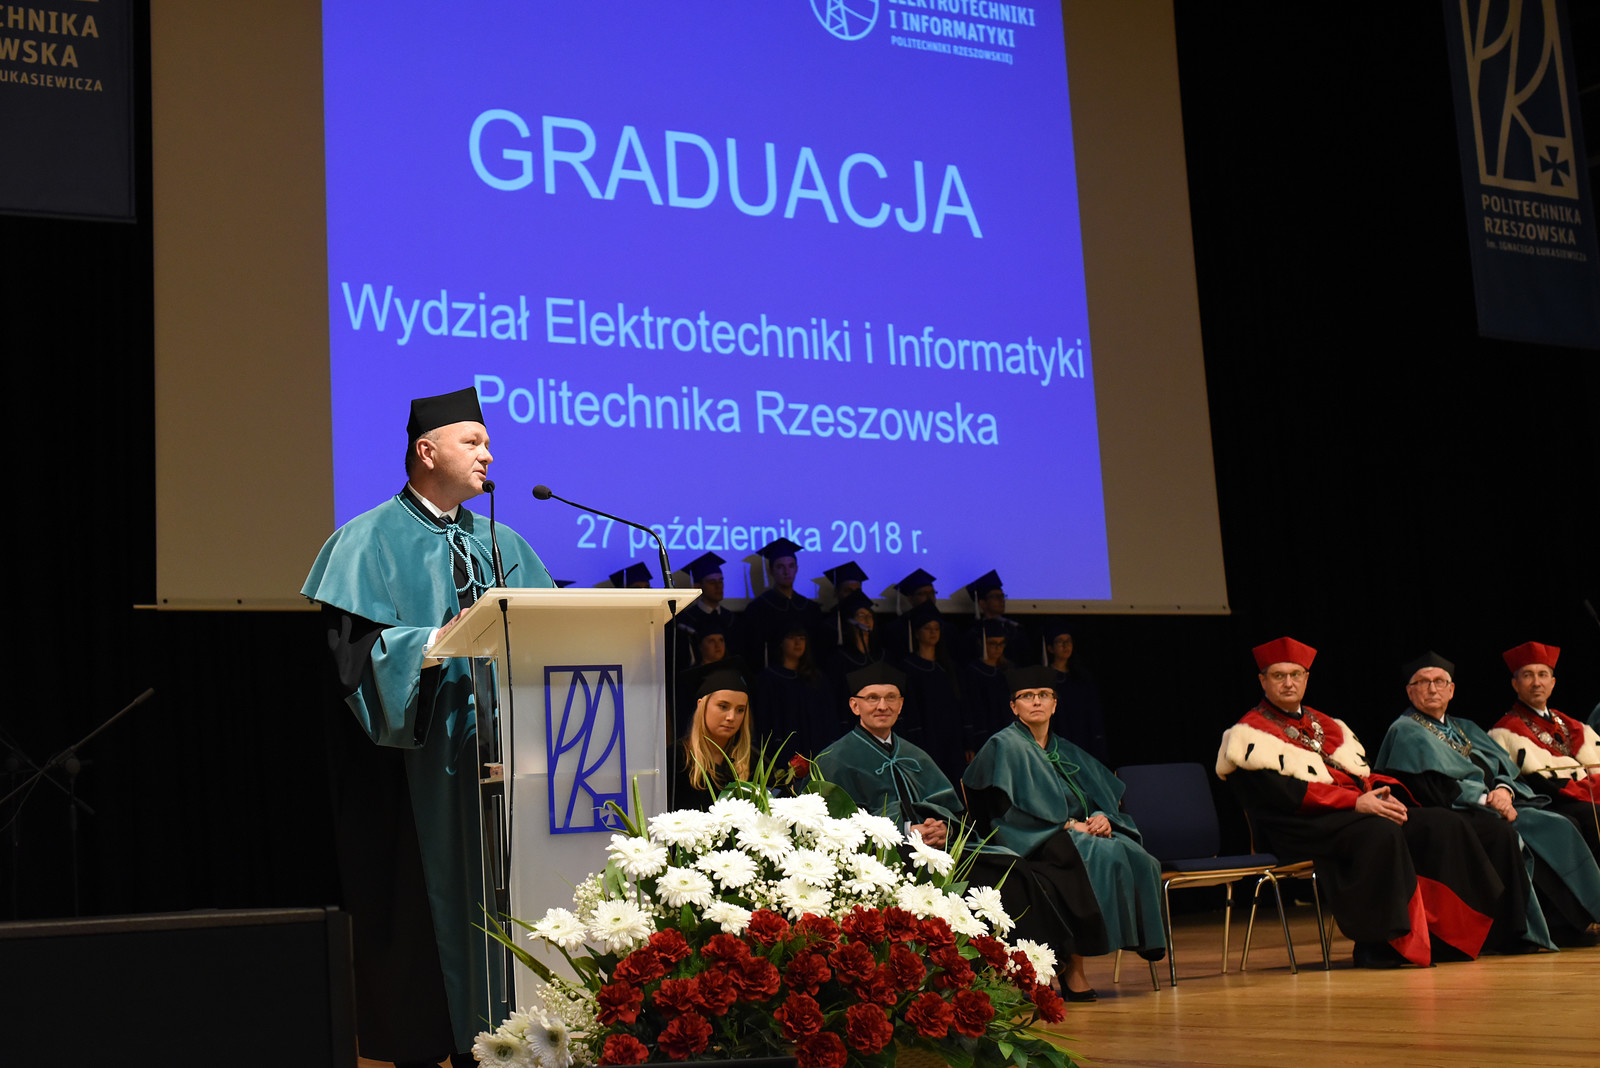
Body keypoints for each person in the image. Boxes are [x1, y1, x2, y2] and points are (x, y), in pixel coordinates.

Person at [302, 386, 554, 1066]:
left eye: (488, 443)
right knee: (421, 931)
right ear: (427, 450)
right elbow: (351, 659)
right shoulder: (367, 540)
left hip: (507, 772)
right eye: (473, 441)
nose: (488, 455)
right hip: (413, 775)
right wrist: (431, 643)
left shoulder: (502, 542)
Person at [817, 662, 1108, 998]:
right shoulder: (835, 759)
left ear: (901, 704)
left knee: (1012, 867)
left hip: (938, 849)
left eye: (890, 698)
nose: (882, 706)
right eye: (872, 699)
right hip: (884, 857)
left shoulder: (914, 754)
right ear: (855, 706)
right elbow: (837, 822)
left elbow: (951, 809)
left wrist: (943, 828)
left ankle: (1033, 970)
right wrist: (906, 829)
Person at [1216, 637, 1508, 967]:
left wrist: (1381, 793)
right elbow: (1282, 794)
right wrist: (1356, 803)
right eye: (1278, 676)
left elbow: (1361, 774)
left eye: (1295, 675)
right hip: (1295, 825)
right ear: (1262, 681)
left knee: (1441, 822)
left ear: (1306, 678)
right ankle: (1378, 943)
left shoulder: (1325, 724)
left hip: (1346, 812)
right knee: (1379, 832)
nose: (1288, 683)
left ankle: (1446, 936)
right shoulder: (1248, 734)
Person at [1373, 652, 1600, 950]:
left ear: (1451, 690)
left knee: (1561, 824)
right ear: (1409, 691)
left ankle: (1571, 920)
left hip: (1498, 804)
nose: (1432, 689)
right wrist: (1486, 800)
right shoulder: (1404, 731)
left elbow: (1504, 768)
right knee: (1511, 835)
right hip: (1453, 811)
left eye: (1440, 682)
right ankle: (1524, 930)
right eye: (1423, 682)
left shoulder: (1465, 726)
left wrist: (1504, 791)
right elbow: (1430, 789)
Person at [965, 665, 1167, 970]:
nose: (1036, 701)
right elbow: (997, 812)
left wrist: (1102, 817)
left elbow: (1099, 796)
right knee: (1102, 853)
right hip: (1033, 840)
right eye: (1027, 696)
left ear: (1054, 704)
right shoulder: (1003, 745)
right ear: (1014, 706)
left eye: (1044, 695)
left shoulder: (1066, 749)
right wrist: (1068, 825)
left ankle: (1146, 940)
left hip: (1079, 832)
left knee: (1140, 857)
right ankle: (1091, 949)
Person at [1487, 642, 1600, 861]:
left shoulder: (1572, 724)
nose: (1537, 682)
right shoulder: (1504, 731)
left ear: (1553, 683)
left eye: (1543, 675)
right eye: (1528, 675)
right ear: (1515, 684)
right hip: (1549, 801)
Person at [894, 599, 968, 782]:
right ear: (916, 633)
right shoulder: (908, 667)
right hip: (926, 736)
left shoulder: (948, 667)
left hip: (952, 737)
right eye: (927, 628)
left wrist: (967, 742)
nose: (933, 632)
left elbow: (961, 704)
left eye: (936, 628)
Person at [670, 669, 753, 810]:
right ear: (701, 705)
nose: (731, 717)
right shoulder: (675, 759)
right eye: (723, 706)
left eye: (740, 710)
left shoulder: (753, 761)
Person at [753, 623, 833, 760]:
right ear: (781, 642)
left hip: (815, 746)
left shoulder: (816, 678)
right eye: (792, 637)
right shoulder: (769, 679)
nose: (798, 643)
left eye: (802, 638)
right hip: (784, 748)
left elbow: (828, 716)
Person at [741, 537, 822, 667]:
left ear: (796, 569)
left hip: (806, 674)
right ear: (771, 571)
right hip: (773, 675)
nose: (786, 572)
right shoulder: (758, 608)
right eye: (780, 567)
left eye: (791, 566)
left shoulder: (809, 608)